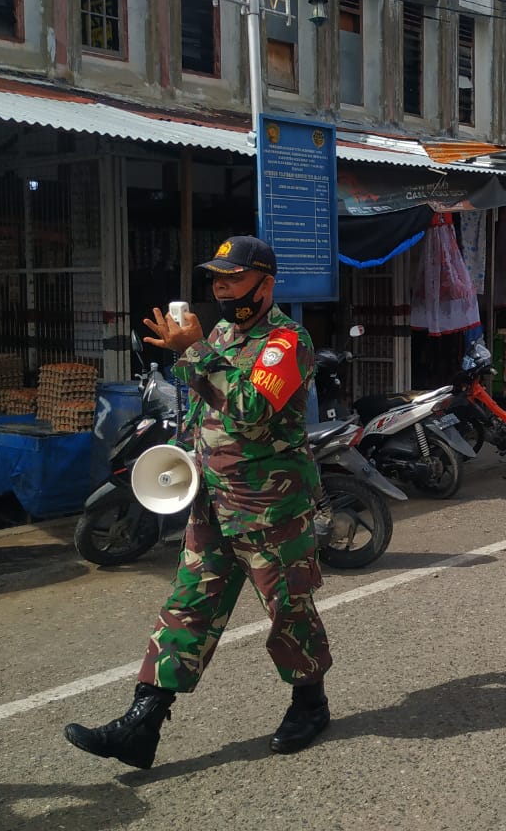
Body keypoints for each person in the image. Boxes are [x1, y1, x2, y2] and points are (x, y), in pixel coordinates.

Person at [64, 236, 333, 770]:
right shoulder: (224, 333)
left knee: (289, 611)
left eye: (232, 278)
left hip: (268, 506)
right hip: (211, 501)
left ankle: (310, 703)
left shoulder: (286, 340)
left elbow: (253, 406)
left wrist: (195, 350)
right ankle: (142, 722)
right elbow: (205, 400)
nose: (221, 288)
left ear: (265, 283)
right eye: (216, 279)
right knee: (188, 607)